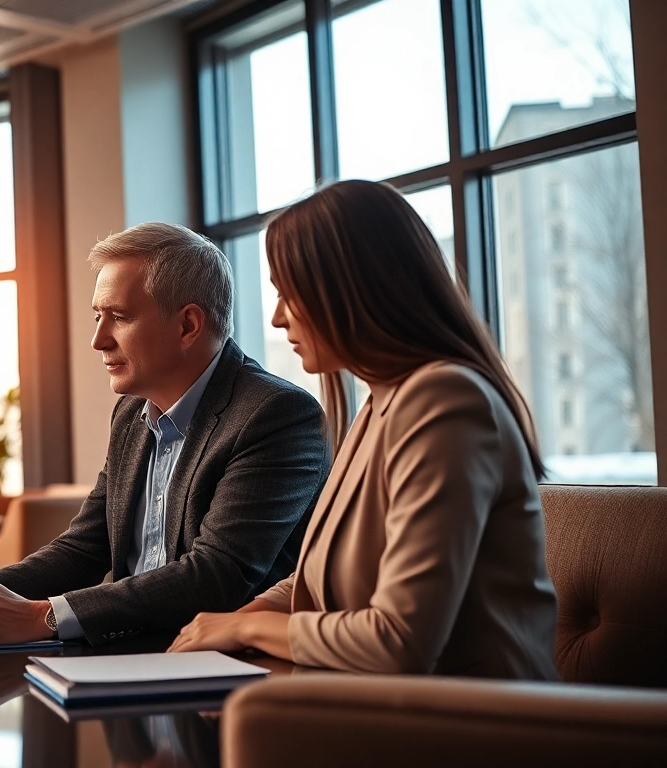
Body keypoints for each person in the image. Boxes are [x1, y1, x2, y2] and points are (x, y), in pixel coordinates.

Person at [169, 180, 559, 680]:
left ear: (350, 289)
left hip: (476, 715)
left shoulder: (444, 401)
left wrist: (246, 629)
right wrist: (240, 618)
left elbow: (400, 642)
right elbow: (323, 577)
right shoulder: (379, 405)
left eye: (289, 293)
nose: (278, 318)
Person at [0, 222, 332, 645]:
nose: (99, 340)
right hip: (127, 654)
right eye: (98, 316)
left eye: (119, 317)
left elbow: (217, 575)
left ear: (188, 326)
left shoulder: (275, 414)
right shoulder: (131, 414)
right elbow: (84, 549)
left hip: (220, 665)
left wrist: (43, 616)